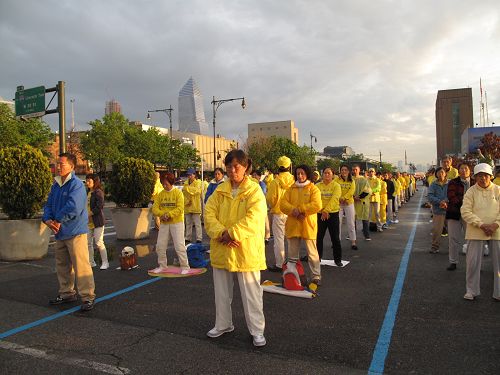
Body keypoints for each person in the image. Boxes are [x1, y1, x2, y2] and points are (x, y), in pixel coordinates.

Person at [204, 150, 268, 347]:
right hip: (222, 247)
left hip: (245, 249)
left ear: (245, 167)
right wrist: (222, 234)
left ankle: (257, 330)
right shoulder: (219, 190)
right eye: (229, 167)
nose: (232, 171)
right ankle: (223, 324)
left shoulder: (254, 190)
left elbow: (254, 218)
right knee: (221, 291)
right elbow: (208, 213)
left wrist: (231, 234)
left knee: (251, 292)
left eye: (236, 167)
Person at [43, 153, 95, 312]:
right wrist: (47, 219)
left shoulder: (76, 185)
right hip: (61, 232)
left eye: (62, 164)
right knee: (62, 265)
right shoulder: (56, 185)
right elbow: (49, 204)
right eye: (57, 163)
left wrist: (57, 220)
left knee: (81, 266)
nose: (58, 166)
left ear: (72, 167)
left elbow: (74, 206)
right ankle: (66, 293)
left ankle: (87, 297)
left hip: (75, 231)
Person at [460, 163, 500, 301]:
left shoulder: (498, 190)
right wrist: (481, 225)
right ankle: (471, 290)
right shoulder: (471, 191)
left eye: (485, 175)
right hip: (476, 230)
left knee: (499, 263)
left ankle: (498, 292)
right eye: (479, 176)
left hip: (497, 230)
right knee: (472, 263)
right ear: (475, 177)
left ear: (491, 176)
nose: (482, 178)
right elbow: (465, 211)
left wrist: (495, 224)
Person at [280, 164, 322, 284]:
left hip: (308, 225)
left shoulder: (313, 188)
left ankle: (316, 276)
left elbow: (317, 205)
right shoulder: (290, 189)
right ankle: (292, 275)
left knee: (312, 253)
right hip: (293, 225)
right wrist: (295, 211)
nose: (300, 176)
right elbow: (283, 204)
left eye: (302, 173)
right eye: (298, 173)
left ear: (307, 174)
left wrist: (301, 209)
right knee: (292, 254)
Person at [150, 172, 190, 274]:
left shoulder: (178, 193)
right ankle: (162, 265)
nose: (164, 186)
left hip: (176, 223)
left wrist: (169, 214)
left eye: (166, 184)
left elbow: (180, 208)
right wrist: (163, 214)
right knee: (160, 245)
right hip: (164, 223)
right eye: (163, 183)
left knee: (179, 246)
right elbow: (154, 208)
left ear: (171, 183)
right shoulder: (161, 194)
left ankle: (185, 266)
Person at [266, 156, 295, 272]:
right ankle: (293, 262)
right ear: (289, 166)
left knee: (278, 240)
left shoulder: (275, 182)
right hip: (291, 213)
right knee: (292, 239)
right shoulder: (294, 180)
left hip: (278, 213)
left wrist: (273, 206)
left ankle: (280, 264)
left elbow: (270, 199)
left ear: (279, 166)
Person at [445, 163, 472, 271]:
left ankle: (472, 263)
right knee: (453, 239)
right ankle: (453, 262)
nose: (464, 170)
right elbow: (451, 196)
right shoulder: (453, 182)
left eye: (466, 168)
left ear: (470, 170)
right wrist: (465, 205)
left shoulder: (475, 182)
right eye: (461, 168)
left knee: (472, 240)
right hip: (454, 213)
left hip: (471, 215)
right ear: (458, 171)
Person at [316, 167, 343, 266]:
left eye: (329, 173)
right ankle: (317, 257)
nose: (326, 175)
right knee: (319, 237)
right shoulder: (317, 185)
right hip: (320, 214)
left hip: (333, 213)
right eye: (325, 173)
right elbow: (316, 199)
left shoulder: (336, 186)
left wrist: (326, 210)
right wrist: (322, 211)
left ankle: (338, 259)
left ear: (333, 175)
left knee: (335, 238)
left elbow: (335, 199)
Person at [85, 174, 109, 270]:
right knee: (88, 243)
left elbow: (100, 206)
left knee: (99, 242)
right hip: (88, 222)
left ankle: (105, 262)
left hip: (97, 221)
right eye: (86, 181)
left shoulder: (98, 192)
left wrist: (90, 213)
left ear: (95, 182)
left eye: (89, 181)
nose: (87, 183)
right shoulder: (88, 192)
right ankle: (91, 262)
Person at [428, 167, 448, 253]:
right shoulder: (433, 184)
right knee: (437, 230)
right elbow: (430, 196)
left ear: (445, 173)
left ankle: (452, 249)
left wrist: (446, 201)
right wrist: (440, 202)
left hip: (450, 210)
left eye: (442, 172)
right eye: (439, 172)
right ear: (436, 174)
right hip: (438, 211)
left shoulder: (450, 183)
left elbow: (452, 193)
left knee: (452, 232)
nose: (441, 174)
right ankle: (434, 247)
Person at [338, 164, 357, 250]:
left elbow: (351, 192)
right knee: (338, 223)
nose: (344, 171)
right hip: (339, 204)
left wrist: (344, 198)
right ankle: (337, 241)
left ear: (348, 171)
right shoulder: (336, 180)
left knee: (351, 223)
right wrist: (340, 199)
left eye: (345, 170)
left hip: (349, 203)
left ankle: (353, 241)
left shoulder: (352, 181)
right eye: (342, 170)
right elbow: (335, 190)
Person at [352, 165, 372, 241]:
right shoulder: (350, 179)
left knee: (365, 218)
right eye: (353, 169)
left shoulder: (363, 180)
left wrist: (359, 197)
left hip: (362, 202)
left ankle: (366, 235)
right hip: (353, 202)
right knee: (352, 219)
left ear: (359, 170)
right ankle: (352, 234)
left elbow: (368, 191)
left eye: (356, 169)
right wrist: (353, 197)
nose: (354, 171)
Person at [183, 168, 203, 244]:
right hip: (187, 205)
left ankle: (199, 238)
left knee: (197, 223)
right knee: (188, 223)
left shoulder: (198, 183)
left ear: (194, 175)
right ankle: (188, 237)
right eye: (188, 175)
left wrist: (187, 189)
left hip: (195, 206)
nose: (189, 176)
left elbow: (197, 191)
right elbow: (184, 194)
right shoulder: (185, 183)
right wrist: (187, 201)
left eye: (191, 174)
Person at [251, 169, 271, 243]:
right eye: (253, 175)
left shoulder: (261, 184)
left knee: (265, 221)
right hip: (253, 206)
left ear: (259, 177)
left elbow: (263, 194)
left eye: (255, 175)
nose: (254, 176)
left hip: (261, 205)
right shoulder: (250, 184)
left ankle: (266, 237)